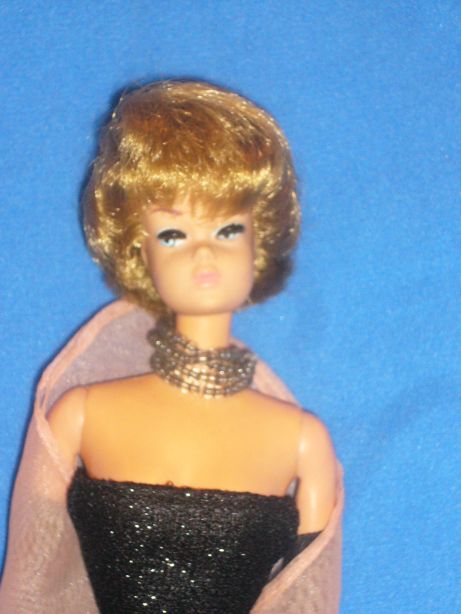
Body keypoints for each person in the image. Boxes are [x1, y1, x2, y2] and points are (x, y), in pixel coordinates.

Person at [0, 81, 342, 613]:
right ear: (139, 250)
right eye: (174, 235)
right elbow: (34, 579)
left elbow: (308, 599)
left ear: (259, 240)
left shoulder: (303, 441)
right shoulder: (80, 416)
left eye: (227, 229)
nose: (203, 254)